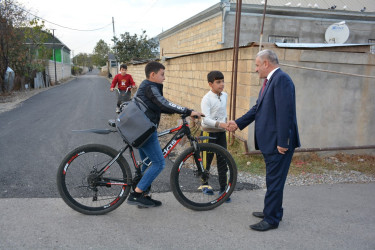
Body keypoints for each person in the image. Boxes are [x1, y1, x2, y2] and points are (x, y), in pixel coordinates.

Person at [227, 49, 300, 231]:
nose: (255, 69)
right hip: (272, 141)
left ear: (266, 63)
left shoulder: (281, 80)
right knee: (273, 180)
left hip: (278, 143)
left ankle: (271, 219)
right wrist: (237, 123)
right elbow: (257, 108)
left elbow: (286, 114)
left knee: (274, 181)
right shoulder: (270, 81)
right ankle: (274, 211)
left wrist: (283, 141)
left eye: (257, 65)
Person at [127, 61, 204, 208]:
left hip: (141, 129)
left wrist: (180, 111)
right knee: (159, 163)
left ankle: (144, 195)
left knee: (147, 163)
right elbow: (163, 103)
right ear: (153, 74)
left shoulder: (147, 86)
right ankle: (136, 195)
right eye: (162, 74)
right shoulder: (150, 86)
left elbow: (159, 106)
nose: (164, 78)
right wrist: (188, 111)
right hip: (145, 130)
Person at [200, 70, 231, 202]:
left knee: (222, 160)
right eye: (218, 82)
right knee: (206, 161)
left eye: (223, 81)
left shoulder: (225, 95)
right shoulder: (206, 99)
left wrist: (226, 122)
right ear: (210, 84)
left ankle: (223, 189)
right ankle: (205, 185)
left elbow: (223, 112)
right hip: (208, 133)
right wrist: (221, 124)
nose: (222, 84)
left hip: (221, 133)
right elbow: (205, 119)